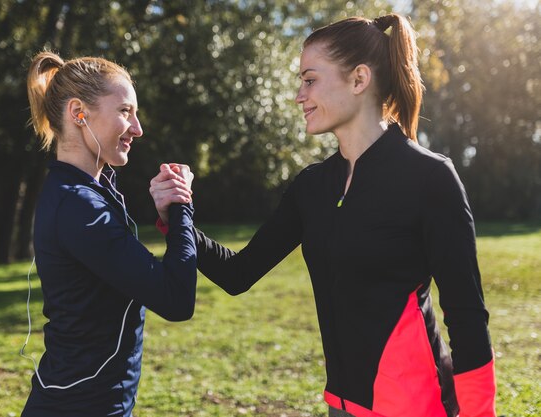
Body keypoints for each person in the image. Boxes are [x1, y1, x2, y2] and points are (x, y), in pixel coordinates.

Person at [150, 14, 496, 417]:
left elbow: (467, 316)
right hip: (341, 406)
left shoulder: (429, 178)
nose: (299, 95)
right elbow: (237, 274)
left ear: (358, 79)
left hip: (414, 406)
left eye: (310, 79)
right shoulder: (312, 187)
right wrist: (179, 215)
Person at [20, 51, 196, 417]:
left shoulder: (86, 193)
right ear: (78, 113)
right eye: (125, 112)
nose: (138, 128)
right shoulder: (79, 205)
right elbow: (176, 299)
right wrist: (181, 207)